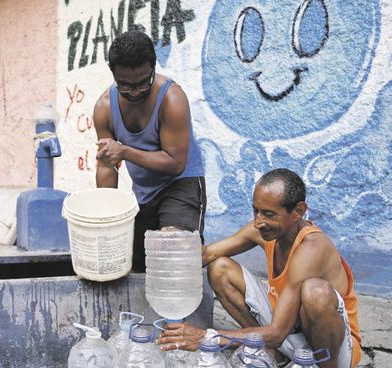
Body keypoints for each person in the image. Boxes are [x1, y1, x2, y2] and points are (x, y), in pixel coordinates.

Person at [155, 168, 361, 368]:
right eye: (256, 211)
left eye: (269, 214)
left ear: (298, 211)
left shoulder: (312, 248)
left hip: (330, 352)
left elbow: (278, 332)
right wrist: (170, 258)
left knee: (315, 292)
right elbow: (207, 254)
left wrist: (205, 337)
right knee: (219, 267)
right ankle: (276, 352)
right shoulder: (265, 231)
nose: (258, 222)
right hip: (286, 334)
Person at [93, 30, 212, 326]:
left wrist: (125, 151)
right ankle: (146, 335)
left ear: (153, 68)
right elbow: (108, 164)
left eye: (142, 83)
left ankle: (192, 334)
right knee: (133, 264)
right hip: (145, 194)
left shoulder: (172, 98)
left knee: (174, 255)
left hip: (181, 183)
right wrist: (108, 217)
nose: (135, 92)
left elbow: (174, 162)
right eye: (125, 86)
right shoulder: (104, 108)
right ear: (114, 76)